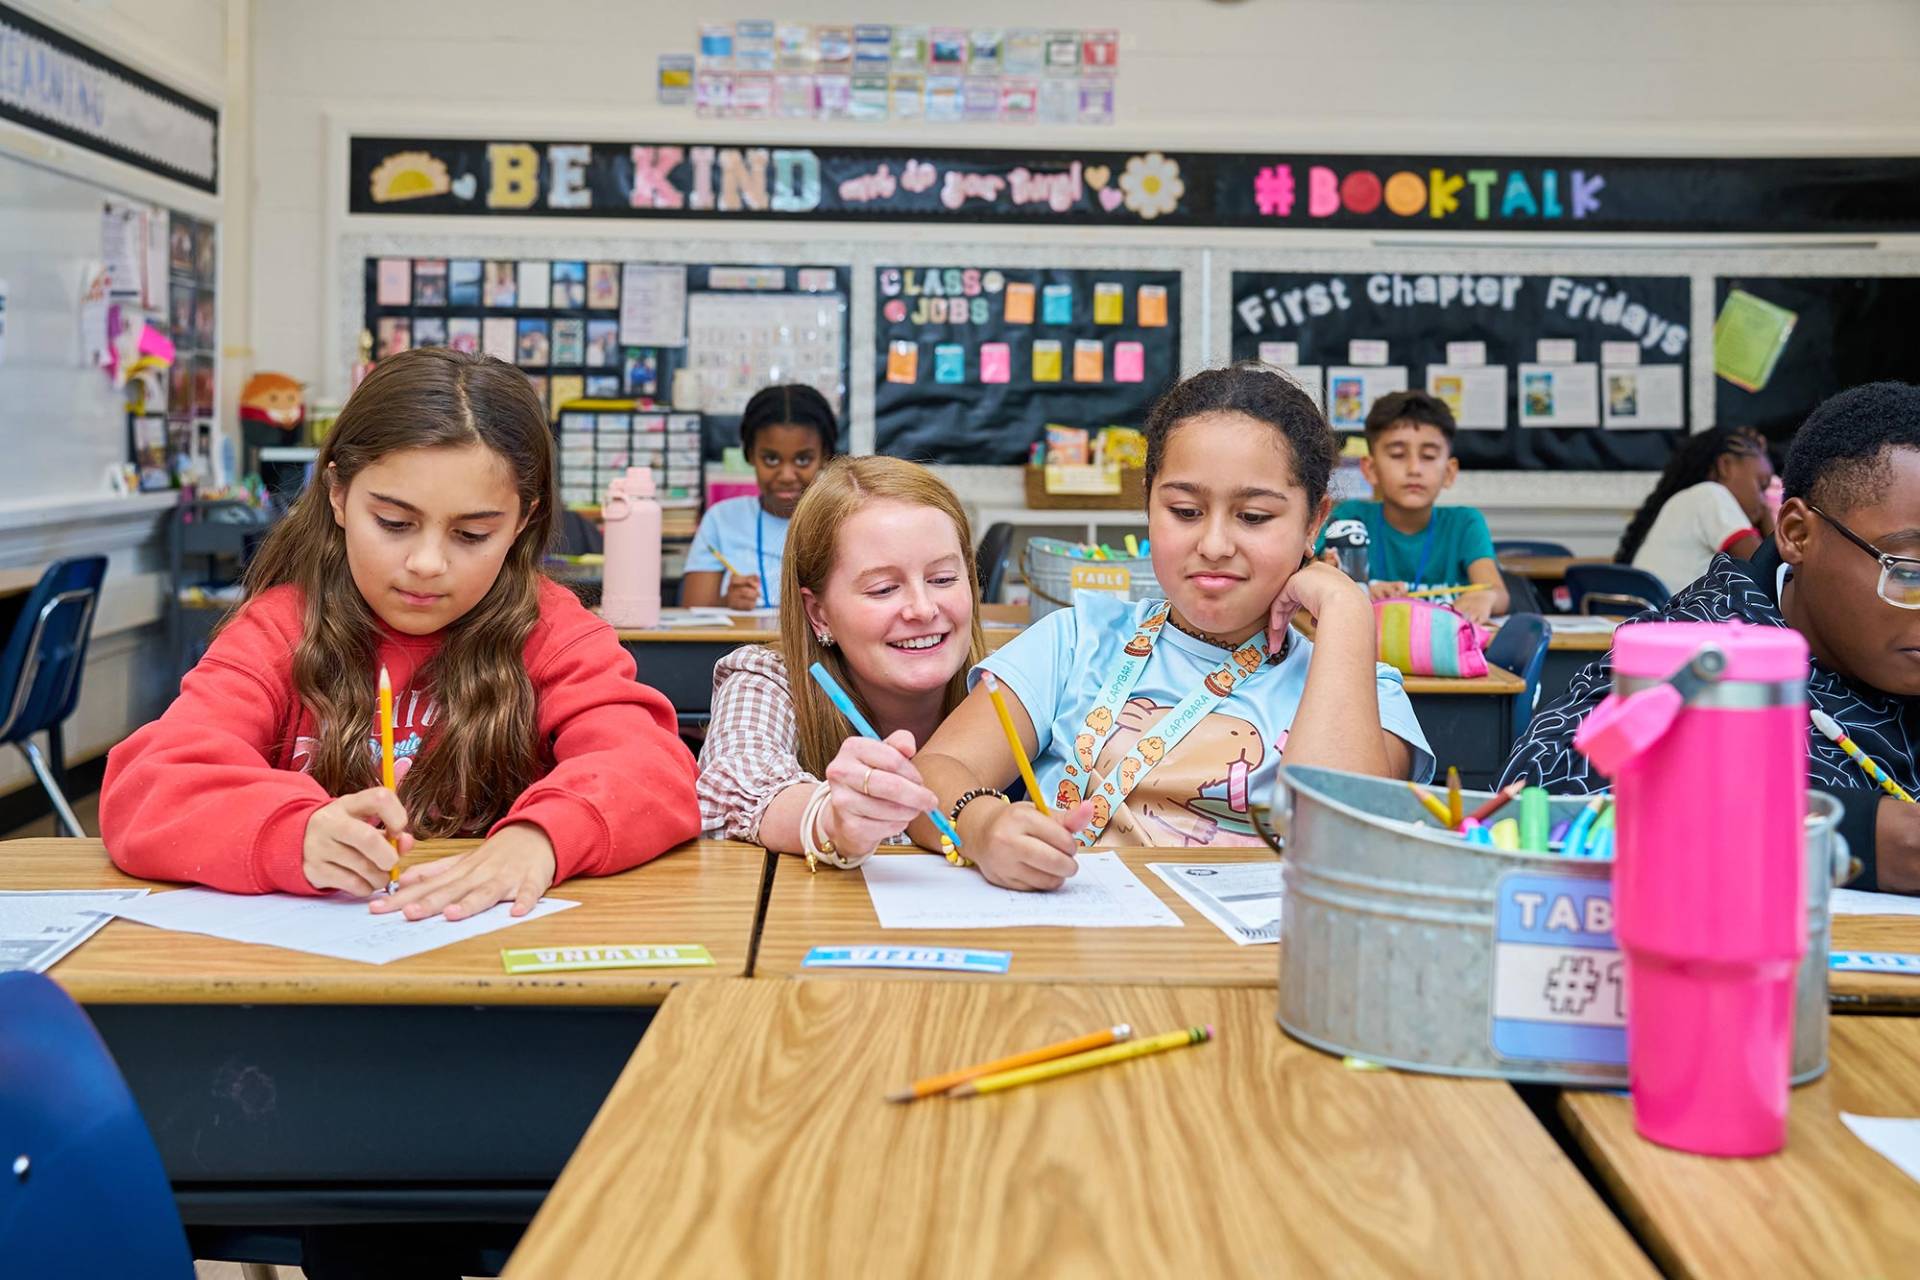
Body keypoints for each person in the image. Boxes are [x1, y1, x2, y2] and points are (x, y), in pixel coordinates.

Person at [101, 348, 701, 919]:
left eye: (472, 535)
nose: (427, 563)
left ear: (525, 520)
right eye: (393, 523)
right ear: (337, 494)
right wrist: (294, 832)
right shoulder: (279, 630)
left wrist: (540, 838)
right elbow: (149, 786)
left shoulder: (553, 631)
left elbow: (652, 769)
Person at [910, 364, 1433, 889]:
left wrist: (1346, 609)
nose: (1214, 544)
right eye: (1184, 510)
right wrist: (981, 825)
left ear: (1314, 522)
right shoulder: (1075, 641)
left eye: (1253, 517)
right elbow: (938, 770)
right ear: (1148, 501)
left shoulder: (1364, 691)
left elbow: (1335, 846)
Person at [1502, 381, 1920, 895]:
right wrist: (1854, 836)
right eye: (1909, 569)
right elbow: (1541, 794)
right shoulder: (1701, 644)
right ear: (1797, 534)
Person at [697, 457, 985, 867]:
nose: (923, 609)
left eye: (942, 580)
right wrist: (828, 820)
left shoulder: (1009, 683)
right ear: (819, 613)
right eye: (883, 589)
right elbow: (729, 787)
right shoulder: (768, 678)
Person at [1314, 389, 1509, 623]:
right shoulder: (1350, 519)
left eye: (1428, 456)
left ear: (1449, 472)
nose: (1414, 468)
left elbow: (1499, 594)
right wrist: (1355, 590)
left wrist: (1485, 597)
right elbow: (1308, 575)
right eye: (1398, 454)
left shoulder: (1465, 523)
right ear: (1371, 469)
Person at [681, 383, 836, 610]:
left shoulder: (843, 521)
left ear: (825, 456)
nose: (786, 475)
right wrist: (727, 603)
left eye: (803, 460)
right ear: (749, 454)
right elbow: (692, 616)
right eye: (771, 459)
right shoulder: (722, 520)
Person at [1619, 425, 1776, 592]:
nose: (1763, 500)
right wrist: (1769, 522)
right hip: (1673, 616)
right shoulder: (1711, 494)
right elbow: (1768, 575)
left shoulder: (1686, 500)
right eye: (1762, 485)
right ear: (1725, 466)